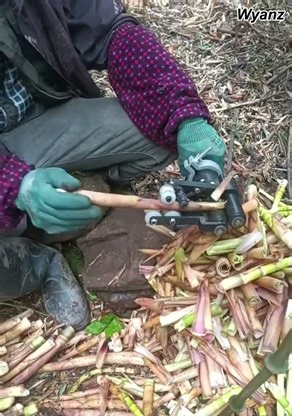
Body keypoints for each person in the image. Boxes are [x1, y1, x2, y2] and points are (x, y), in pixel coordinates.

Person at [0, 0, 225, 330]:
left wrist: (185, 115)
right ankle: (34, 262)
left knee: (157, 126)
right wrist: (13, 185)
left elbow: (110, 31)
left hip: (34, 120)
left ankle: (82, 187)